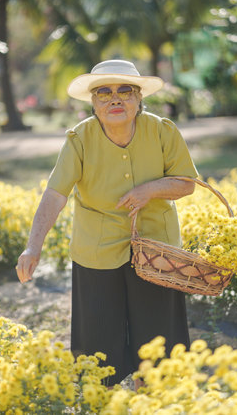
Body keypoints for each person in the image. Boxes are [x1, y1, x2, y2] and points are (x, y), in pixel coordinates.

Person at [16, 60, 198, 389]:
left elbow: (187, 183)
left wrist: (151, 189)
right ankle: (103, 401)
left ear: (139, 98)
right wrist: (33, 246)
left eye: (124, 90)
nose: (115, 99)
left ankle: (155, 399)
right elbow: (56, 194)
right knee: (98, 344)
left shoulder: (162, 130)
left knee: (159, 342)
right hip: (96, 251)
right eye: (104, 92)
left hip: (156, 247)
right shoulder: (79, 138)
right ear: (93, 103)